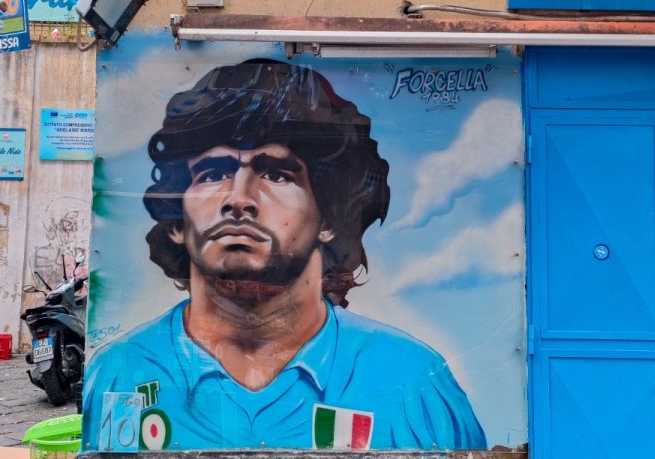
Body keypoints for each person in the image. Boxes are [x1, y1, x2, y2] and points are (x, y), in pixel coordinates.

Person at [83, 60, 485, 452]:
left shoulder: (411, 381)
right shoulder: (121, 371)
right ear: (176, 220)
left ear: (329, 217)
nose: (238, 199)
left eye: (276, 174)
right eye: (213, 173)